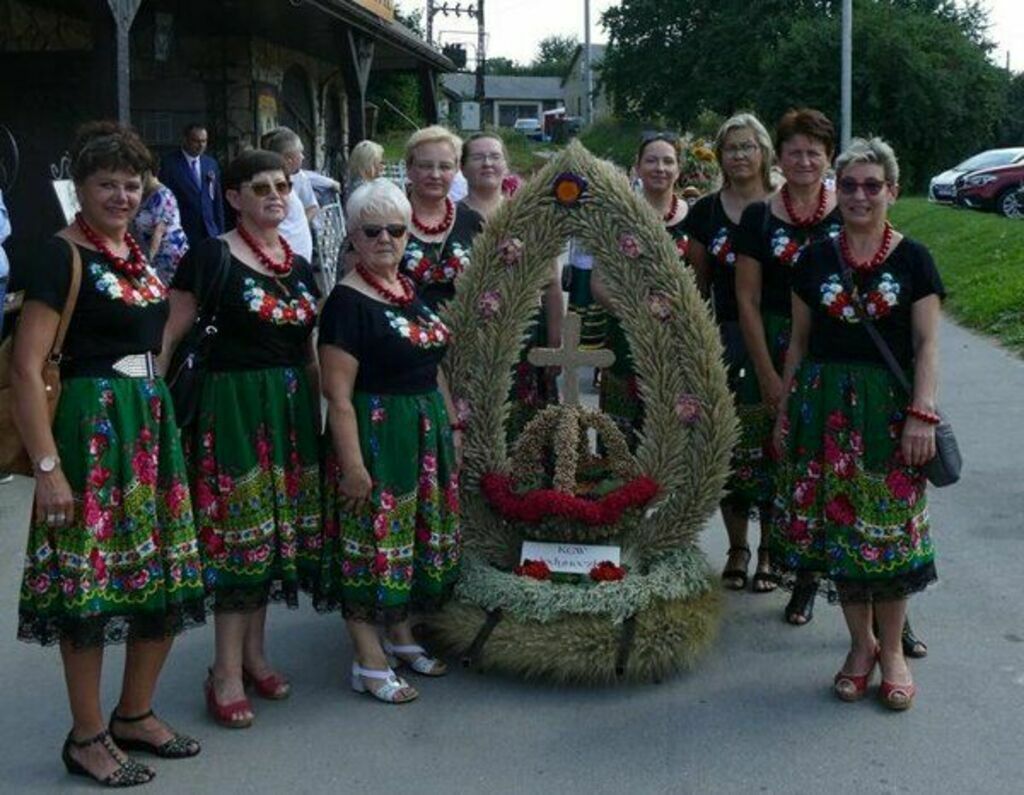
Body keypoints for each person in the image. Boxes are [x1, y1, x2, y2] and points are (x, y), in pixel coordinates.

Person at [13, 121, 205, 787]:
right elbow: (26, 365)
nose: (121, 195)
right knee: (89, 589)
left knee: (163, 576)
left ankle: (135, 713)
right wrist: (47, 467)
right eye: (106, 184)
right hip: (90, 433)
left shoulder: (132, 251)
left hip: (148, 426)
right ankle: (87, 735)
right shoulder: (59, 255)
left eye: (132, 183)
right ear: (81, 189)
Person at [771, 138, 941, 710]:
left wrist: (922, 413)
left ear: (891, 190)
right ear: (834, 191)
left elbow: (927, 345)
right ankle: (859, 646)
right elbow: (797, 343)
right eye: (849, 186)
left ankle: (891, 651)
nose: (860, 195)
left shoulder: (915, 258)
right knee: (842, 534)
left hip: (890, 415)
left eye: (872, 185)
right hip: (824, 413)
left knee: (889, 537)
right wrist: (786, 414)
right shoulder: (814, 259)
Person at [161, 149, 322, 728]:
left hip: (290, 412)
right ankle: (224, 671)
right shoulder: (211, 256)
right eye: (260, 187)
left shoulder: (300, 267)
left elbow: (306, 353)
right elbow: (168, 338)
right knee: (239, 539)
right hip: (231, 411)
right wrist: (152, 410)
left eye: (282, 185)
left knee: (273, 538)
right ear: (232, 197)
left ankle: (255, 656)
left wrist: (320, 419)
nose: (275, 195)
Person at [316, 178, 461, 704]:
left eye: (396, 230)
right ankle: (367, 656)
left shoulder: (407, 290)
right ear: (352, 237)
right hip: (378, 436)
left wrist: (451, 428)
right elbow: (337, 395)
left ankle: (399, 636)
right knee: (370, 546)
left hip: (423, 436)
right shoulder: (346, 303)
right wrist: (352, 466)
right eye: (372, 230)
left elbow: (433, 367)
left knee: (410, 542)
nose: (385, 239)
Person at [733, 108, 842, 625]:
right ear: (780, 157)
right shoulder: (759, 216)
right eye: (794, 151)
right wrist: (770, 375)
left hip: (832, 350)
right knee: (779, 464)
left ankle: (866, 592)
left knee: (835, 464)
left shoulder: (852, 208)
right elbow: (746, 301)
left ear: (829, 159)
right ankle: (796, 573)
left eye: (814, 153)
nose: (804, 161)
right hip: (771, 344)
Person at [685, 113, 776, 592]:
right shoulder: (706, 212)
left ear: (764, 152)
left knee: (775, 448)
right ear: (719, 156)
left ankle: (769, 550)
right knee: (732, 446)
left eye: (748, 146)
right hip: (726, 338)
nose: (740, 155)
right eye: (731, 148)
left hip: (781, 338)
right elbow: (698, 286)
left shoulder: (784, 206)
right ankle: (738, 546)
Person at [593, 132, 692, 448]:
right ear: (636, 167)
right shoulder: (617, 217)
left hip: (679, 338)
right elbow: (599, 283)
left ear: (679, 169)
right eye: (651, 160)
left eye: (668, 161)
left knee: (673, 434)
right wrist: (640, 314)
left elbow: (701, 283)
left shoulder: (695, 217)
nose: (659, 168)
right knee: (623, 436)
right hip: (627, 335)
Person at [460, 132, 562, 435]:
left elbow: (553, 282)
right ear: (463, 168)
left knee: (527, 428)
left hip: (527, 336)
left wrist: (555, 342)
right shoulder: (453, 218)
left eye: (495, 156)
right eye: (478, 157)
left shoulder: (530, 216)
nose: (487, 163)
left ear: (506, 165)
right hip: (475, 341)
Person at [401, 125, 483, 310]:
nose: (435, 175)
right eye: (425, 166)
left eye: (445, 167)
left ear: (456, 170)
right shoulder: (388, 221)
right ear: (409, 169)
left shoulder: (473, 222)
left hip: (461, 333)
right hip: (398, 333)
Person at [159, 123, 224, 246]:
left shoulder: (210, 164)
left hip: (210, 231)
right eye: (196, 141)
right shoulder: (169, 164)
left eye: (204, 141)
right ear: (185, 140)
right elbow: (165, 199)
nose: (201, 145)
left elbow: (217, 200)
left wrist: (220, 230)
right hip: (183, 231)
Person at [261, 127, 317, 263]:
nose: (303, 157)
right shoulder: (272, 187)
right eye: (300, 153)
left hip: (297, 259)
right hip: (284, 258)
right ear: (289, 159)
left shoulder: (294, 179)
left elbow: (312, 207)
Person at [131, 170, 189, 284]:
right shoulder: (144, 194)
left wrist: (147, 262)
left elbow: (159, 231)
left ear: (148, 173)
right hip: (148, 251)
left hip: (167, 255)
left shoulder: (163, 195)